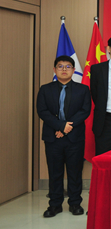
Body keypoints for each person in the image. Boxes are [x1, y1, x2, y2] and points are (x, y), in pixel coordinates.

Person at [36, 56, 91, 217]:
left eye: (68, 66)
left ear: (73, 70)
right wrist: (60, 126)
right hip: (53, 138)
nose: (64, 69)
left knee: (75, 172)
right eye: (60, 66)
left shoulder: (83, 90)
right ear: (54, 70)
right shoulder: (45, 89)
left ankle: (75, 203)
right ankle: (54, 205)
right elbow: (42, 111)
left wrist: (66, 128)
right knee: (55, 172)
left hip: (75, 138)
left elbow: (84, 111)